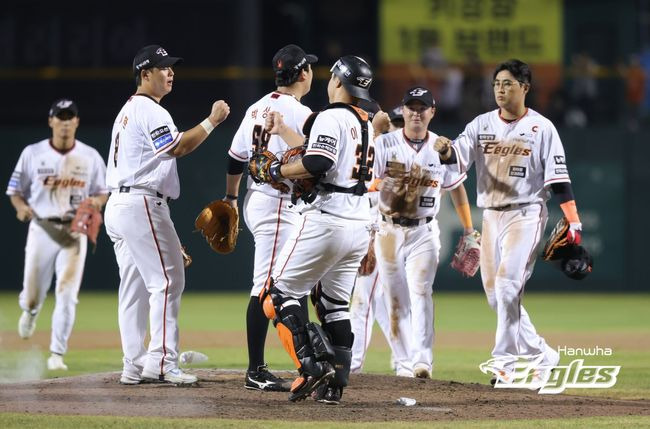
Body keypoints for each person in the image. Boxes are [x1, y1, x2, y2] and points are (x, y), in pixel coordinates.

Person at [434, 59, 578, 385]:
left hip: (526, 214)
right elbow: (457, 156)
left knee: (507, 285)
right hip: (491, 216)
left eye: (508, 83)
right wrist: (444, 149)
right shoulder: (481, 124)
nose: (501, 89)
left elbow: (559, 180)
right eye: (497, 83)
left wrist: (574, 221)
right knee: (496, 296)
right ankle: (542, 354)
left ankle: (503, 366)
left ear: (525, 87)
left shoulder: (543, 128)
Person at [104, 45, 230, 385]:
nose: (170, 72)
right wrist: (212, 121)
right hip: (142, 204)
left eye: (171, 67)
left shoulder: (128, 110)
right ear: (145, 75)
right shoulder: (149, 109)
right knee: (167, 281)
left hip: (119, 205)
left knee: (135, 286)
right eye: (163, 68)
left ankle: (134, 362)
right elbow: (178, 147)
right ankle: (162, 362)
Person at [257, 55, 376, 404]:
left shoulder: (329, 115)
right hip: (358, 222)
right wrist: (284, 134)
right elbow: (322, 153)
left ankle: (311, 365)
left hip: (326, 218)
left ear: (338, 81)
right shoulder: (364, 121)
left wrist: (277, 171)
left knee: (277, 296)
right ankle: (335, 383)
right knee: (335, 305)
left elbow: (318, 162)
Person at [224, 44, 317, 392]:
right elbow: (321, 154)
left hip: (255, 198)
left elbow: (234, 159)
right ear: (304, 74)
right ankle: (256, 369)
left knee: (292, 282)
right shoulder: (298, 111)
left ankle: (301, 361)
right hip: (278, 202)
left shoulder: (254, 108)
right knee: (267, 286)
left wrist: (231, 198)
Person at [370, 87, 474, 378]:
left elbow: (456, 190)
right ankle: (404, 361)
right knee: (394, 298)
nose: (416, 112)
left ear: (432, 112)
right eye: (411, 107)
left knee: (421, 291)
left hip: (424, 230)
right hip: (388, 229)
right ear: (403, 111)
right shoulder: (384, 144)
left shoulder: (442, 147)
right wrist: (383, 185)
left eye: (422, 107)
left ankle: (423, 361)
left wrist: (469, 230)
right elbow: (363, 183)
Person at [7, 98, 109, 371]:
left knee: (67, 293)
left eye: (69, 117)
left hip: (74, 232)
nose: (65, 122)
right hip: (42, 227)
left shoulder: (89, 156)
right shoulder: (33, 153)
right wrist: (20, 208)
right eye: (60, 117)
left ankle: (56, 354)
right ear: (51, 121)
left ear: (76, 122)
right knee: (32, 294)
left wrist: (97, 203)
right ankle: (30, 310)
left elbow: (103, 190)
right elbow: (15, 191)